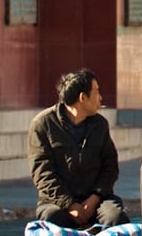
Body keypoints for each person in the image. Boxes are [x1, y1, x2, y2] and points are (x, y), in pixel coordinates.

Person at [29, 68, 128, 229]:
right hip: (57, 201)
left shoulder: (100, 125)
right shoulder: (42, 125)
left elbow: (110, 167)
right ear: (83, 98)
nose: (100, 97)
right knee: (52, 218)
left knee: (115, 217)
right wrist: (69, 204)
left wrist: (94, 199)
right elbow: (43, 174)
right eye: (96, 92)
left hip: (97, 199)